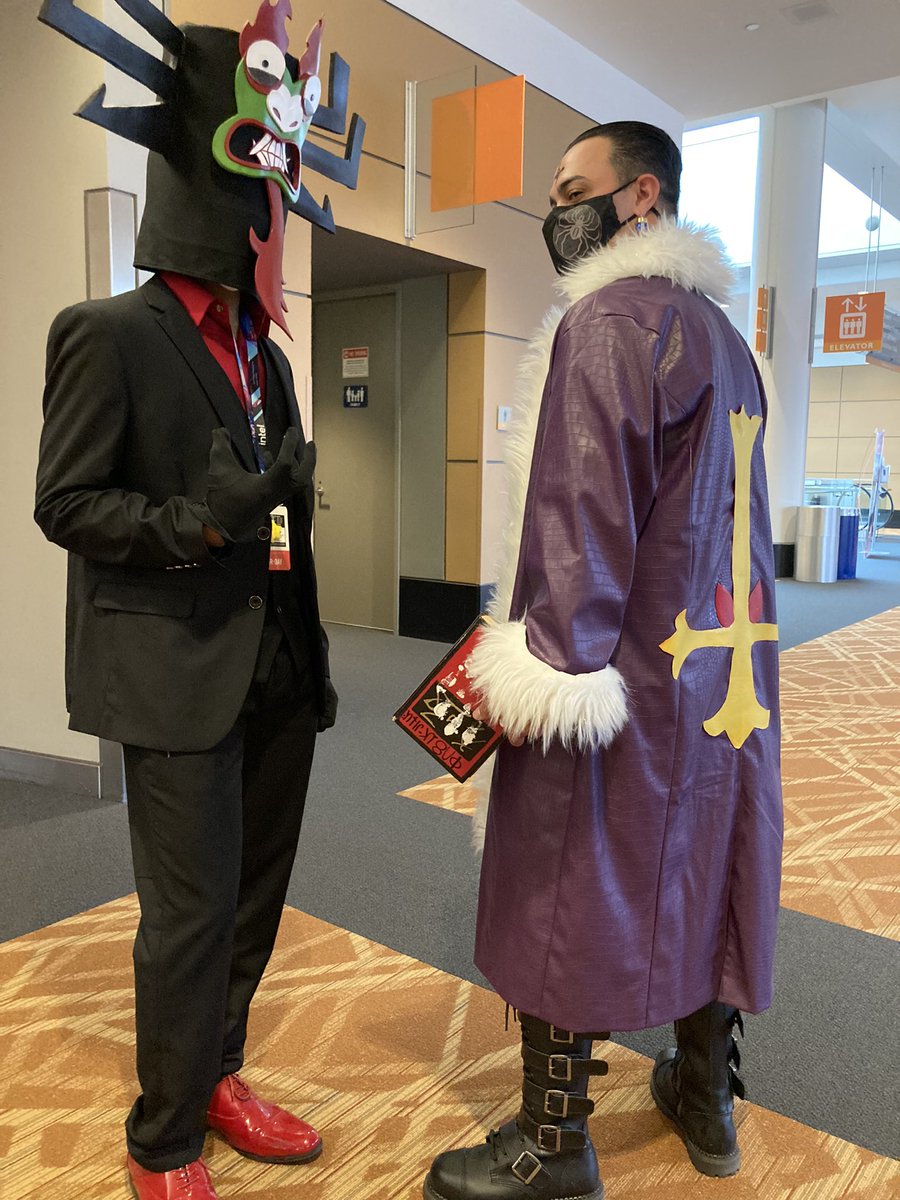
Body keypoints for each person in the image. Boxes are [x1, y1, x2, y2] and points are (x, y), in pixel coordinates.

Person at [34, 2, 364, 1197]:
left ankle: (220, 1070)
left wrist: (291, 527)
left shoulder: (266, 354)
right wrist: (201, 521)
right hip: (175, 670)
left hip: (277, 660)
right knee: (186, 911)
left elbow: (272, 511)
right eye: (256, 177)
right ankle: (163, 1134)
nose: (271, 208)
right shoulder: (107, 335)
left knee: (253, 895)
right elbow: (66, 504)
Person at [424, 122, 783, 1200]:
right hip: (720, 669)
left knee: (564, 875)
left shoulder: (610, 320)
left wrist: (546, 670)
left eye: (572, 189)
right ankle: (704, 1097)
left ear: (642, 197)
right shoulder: (724, 336)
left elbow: (582, 519)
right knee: (706, 857)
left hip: (616, 665)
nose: (555, 212)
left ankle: (552, 1144)